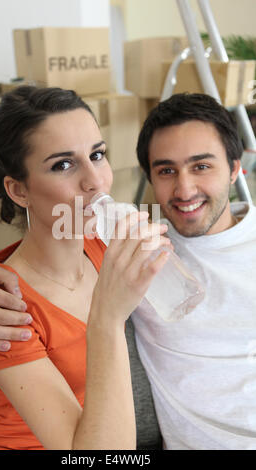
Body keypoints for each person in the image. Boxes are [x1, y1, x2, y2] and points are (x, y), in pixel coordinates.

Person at [0, 85, 169, 450]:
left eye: (97, 155)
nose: (96, 181)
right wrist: (108, 317)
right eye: (63, 164)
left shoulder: (103, 248)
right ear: (19, 191)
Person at [133, 93, 256, 450]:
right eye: (166, 171)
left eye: (201, 166)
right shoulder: (136, 247)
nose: (184, 190)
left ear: (235, 168)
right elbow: (35, 264)